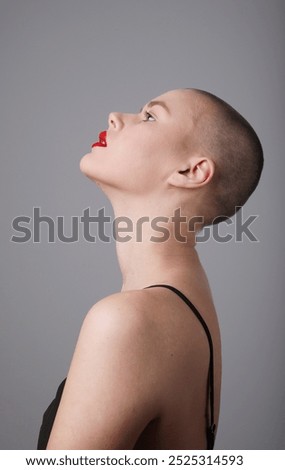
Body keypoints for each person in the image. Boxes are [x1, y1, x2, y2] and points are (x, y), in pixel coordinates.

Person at [37, 88, 263, 450]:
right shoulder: (187, 309)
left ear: (191, 171)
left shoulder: (130, 322)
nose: (114, 116)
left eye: (150, 116)